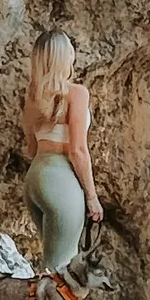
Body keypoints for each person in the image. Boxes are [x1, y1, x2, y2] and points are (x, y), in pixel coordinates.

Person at [22, 27, 102, 274]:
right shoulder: (77, 94)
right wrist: (91, 197)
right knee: (60, 274)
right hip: (59, 180)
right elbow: (78, 150)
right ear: (65, 57)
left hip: (36, 178)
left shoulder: (33, 96)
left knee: (52, 265)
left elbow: (31, 147)